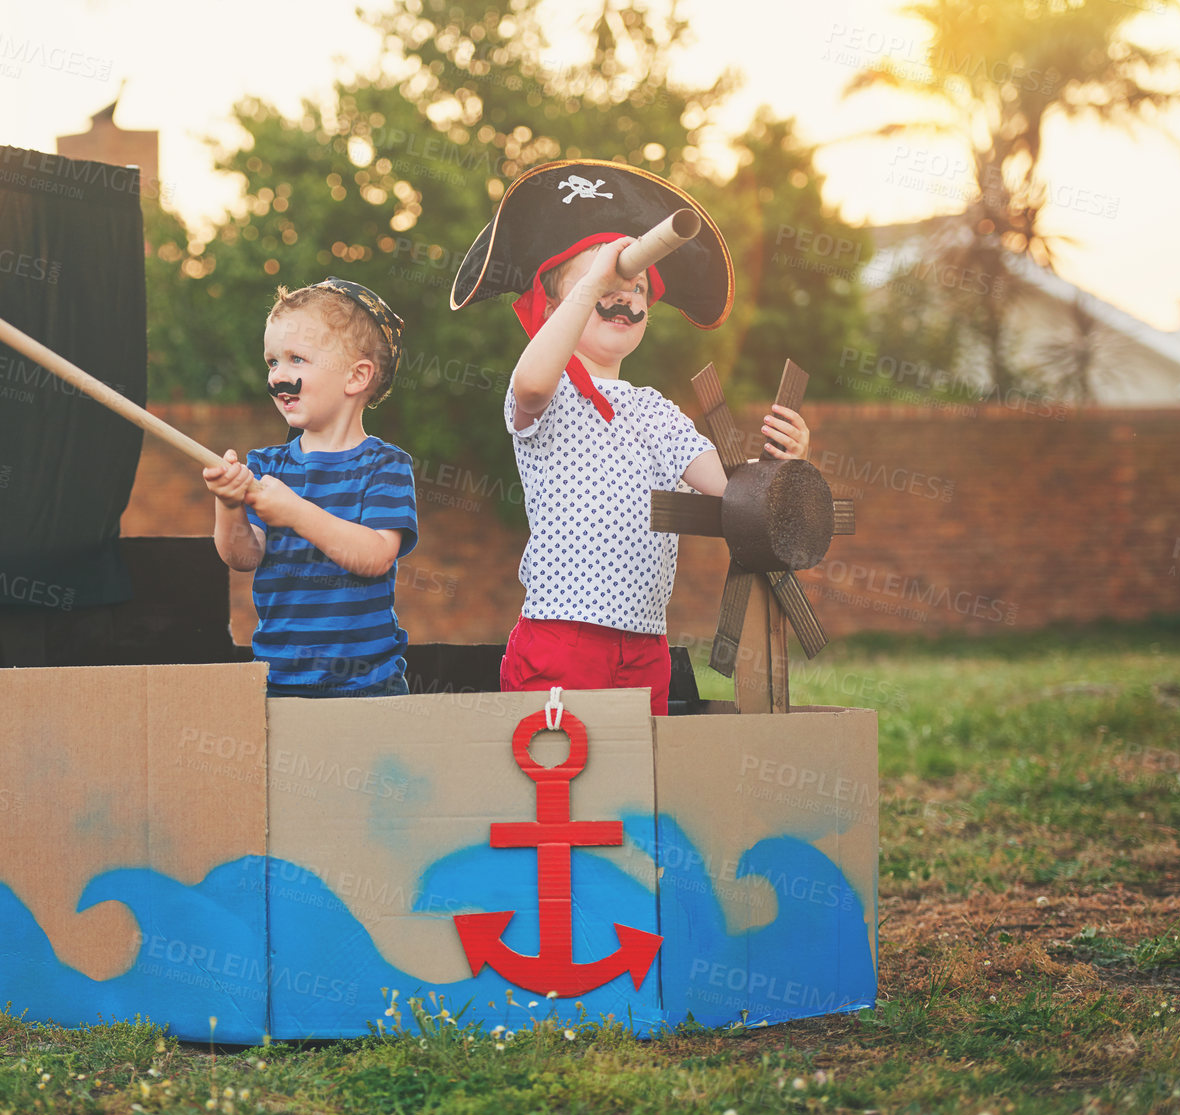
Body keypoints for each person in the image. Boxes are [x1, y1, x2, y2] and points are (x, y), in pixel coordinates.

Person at [450, 160, 809, 711]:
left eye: (638, 286)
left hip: (645, 641)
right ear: (551, 307)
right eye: (604, 283)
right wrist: (599, 274)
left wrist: (783, 468)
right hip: (562, 634)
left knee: (639, 783)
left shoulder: (656, 411)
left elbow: (729, 491)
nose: (626, 297)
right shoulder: (550, 391)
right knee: (558, 779)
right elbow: (530, 385)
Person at [203, 278, 418, 697]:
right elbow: (242, 557)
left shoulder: (385, 466)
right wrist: (228, 504)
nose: (278, 376)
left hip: (369, 687)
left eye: (296, 359)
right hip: (280, 683)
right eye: (271, 362)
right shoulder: (266, 466)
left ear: (356, 377)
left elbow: (374, 556)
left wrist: (294, 512)